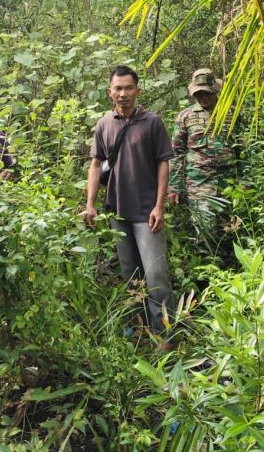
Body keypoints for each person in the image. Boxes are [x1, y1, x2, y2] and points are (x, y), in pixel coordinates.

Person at [85, 66, 175, 341]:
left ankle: (165, 336)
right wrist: (90, 204)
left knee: (156, 274)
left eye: (128, 88)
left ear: (138, 90)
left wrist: (160, 205)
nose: (123, 94)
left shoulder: (152, 122)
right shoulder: (104, 124)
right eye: (118, 89)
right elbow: (96, 164)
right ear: (109, 92)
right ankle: (139, 329)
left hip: (147, 212)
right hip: (117, 211)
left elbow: (163, 163)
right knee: (131, 275)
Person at [168, 68, 240, 266]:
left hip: (228, 182)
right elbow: (177, 153)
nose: (202, 97)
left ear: (215, 90)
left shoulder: (231, 113)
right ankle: (210, 274)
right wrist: (173, 187)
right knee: (205, 228)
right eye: (198, 94)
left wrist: (245, 180)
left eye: (206, 93)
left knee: (228, 229)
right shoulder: (185, 117)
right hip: (199, 183)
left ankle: (230, 272)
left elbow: (242, 149)